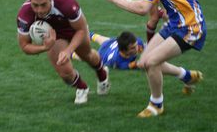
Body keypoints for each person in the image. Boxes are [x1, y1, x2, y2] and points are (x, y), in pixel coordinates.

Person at [98, 0, 206, 117]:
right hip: (175, 24)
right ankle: (186, 76)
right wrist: (123, 0)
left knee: (152, 62)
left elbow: (143, 9)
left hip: (190, 27)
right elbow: (149, 8)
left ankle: (156, 104)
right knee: (143, 63)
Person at [17, 0, 110, 104]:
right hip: (55, 35)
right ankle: (82, 88)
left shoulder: (66, 1)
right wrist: (44, 47)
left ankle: (102, 74)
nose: (39, 10)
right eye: (35, 5)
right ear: (30, 1)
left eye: (43, 4)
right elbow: (24, 46)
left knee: (86, 55)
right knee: (64, 72)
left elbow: (81, 30)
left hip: (75, 29)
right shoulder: (25, 14)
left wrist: (68, 50)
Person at [73, 31, 201, 95]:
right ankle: (71, 53)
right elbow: (140, 64)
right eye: (133, 48)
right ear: (124, 51)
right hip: (105, 57)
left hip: (111, 43)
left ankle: (87, 33)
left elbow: (142, 47)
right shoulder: (117, 62)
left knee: (102, 39)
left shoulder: (135, 43)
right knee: (87, 57)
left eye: (136, 45)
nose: (137, 48)